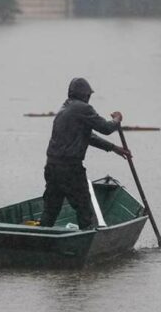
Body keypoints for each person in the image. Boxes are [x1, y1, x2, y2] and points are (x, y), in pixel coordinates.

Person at [40, 77, 131, 230]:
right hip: (70, 169)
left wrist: (114, 148)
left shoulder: (64, 109)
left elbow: (88, 136)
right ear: (85, 95)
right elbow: (106, 128)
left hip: (52, 167)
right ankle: (87, 240)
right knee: (84, 209)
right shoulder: (83, 109)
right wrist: (117, 120)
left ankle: (40, 240)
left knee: (51, 209)